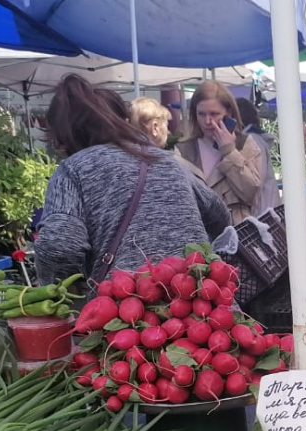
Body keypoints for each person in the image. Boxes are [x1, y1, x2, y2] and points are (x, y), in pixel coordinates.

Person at [33, 74, 229, 286]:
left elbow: (59, 246)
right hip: (199, 301)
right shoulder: (165, 160)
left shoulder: (73, 170)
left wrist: (62, 293)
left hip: (127, 307)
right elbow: (218, 214)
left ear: (64, 138)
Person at [174, 80, 267, 225]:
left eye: (214, 114)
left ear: (228, 113)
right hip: (199, 233)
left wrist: (229, 152)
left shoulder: (244, 143)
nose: (208, 121)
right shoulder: (184, 150)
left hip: (236, 235)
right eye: (201, 114)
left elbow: (252, 193)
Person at [236, 97, 281, 215]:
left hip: (262, 211)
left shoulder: (251, 141)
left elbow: (254, 184)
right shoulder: (257, 138)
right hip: (267, 208)